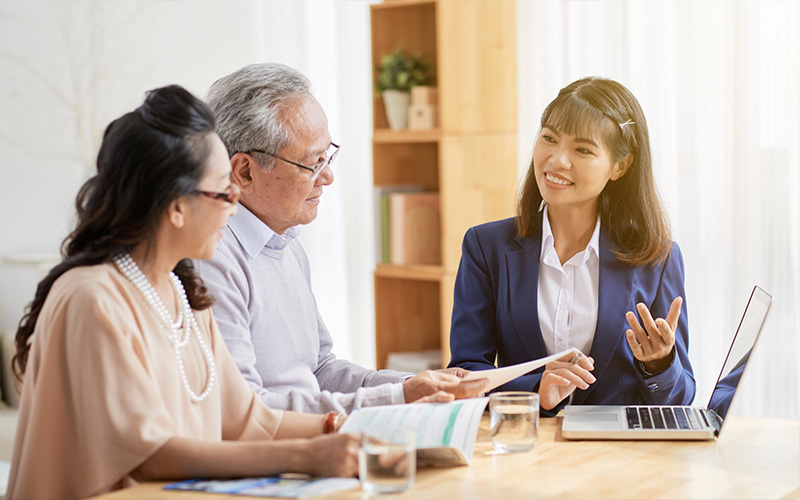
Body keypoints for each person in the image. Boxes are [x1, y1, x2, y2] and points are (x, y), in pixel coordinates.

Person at [8, 85, 360, 500]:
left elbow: (247, 421)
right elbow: (149, 455)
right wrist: (304, 456)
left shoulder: (182, 292)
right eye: (224, 192)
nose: (234, 206)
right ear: (175, 206)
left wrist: (347, 429)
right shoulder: (91, 298)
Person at [194, 63, 486, 415]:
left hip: (311, 443)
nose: (327, 176)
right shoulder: (211, 258)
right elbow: (246, 410)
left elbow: (320, 369)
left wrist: (411, 385)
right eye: (312, 163)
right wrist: (398, 399)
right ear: (244, 171)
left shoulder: (286, 243)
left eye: (327, 155)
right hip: (274, 457)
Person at [448, 77, 696, 415]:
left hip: (619, 458)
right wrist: (536, 388)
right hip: (526, 450)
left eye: (583, 149)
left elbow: (679, 400)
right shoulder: (485, 248)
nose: (557, 160)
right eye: (549, 138)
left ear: (619, 166)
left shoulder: (657, 258)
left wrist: (659, 364)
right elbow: (464, 375)